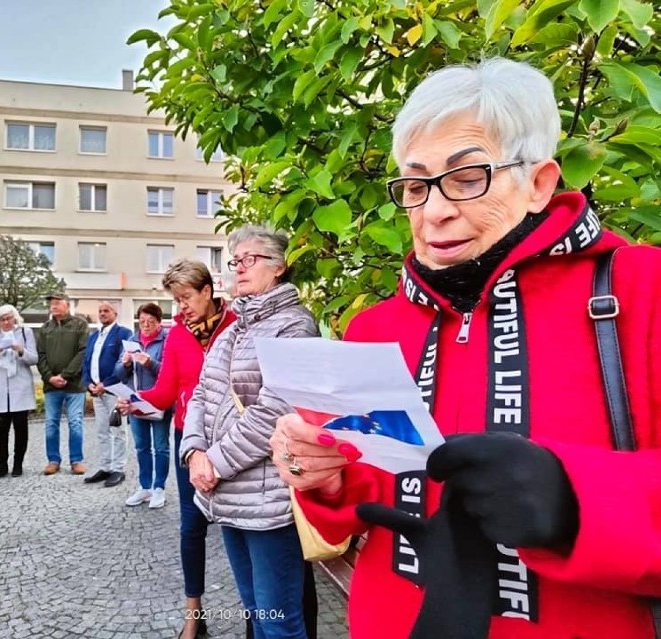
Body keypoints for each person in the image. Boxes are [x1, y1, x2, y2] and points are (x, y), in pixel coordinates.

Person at [271, 57, 661, 639]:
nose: (434, 211)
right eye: (416, 183)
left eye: (466, 177)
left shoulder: (642, 291)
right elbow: (369, 492)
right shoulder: (376, 325)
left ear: (538, 182)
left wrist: (575, 498)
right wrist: (323, 476)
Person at [180, 226, 320, 639]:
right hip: (226, 495)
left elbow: (276, 408)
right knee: (256, 613)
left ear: (278, 268)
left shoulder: (294, 325)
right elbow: (202, 394)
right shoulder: (233, 329)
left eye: (249, 259)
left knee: (280, 621)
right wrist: (193, 453)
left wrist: (215, 463)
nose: (238, 268)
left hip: (269, 501)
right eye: (234, 261)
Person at [118, 258, 236, 639]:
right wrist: (134, 400)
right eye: (175, 300)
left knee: (242, 526)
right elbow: (167, 390)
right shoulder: (179, 335)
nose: (180, 308)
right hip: (189, 438)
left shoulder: (238, 327)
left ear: (208, 291)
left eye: (186, 298)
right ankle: (194, 614)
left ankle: (257, 614)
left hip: (235, 442)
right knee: (191, 527)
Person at [114, 303, 172, 508]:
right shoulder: (131, 340)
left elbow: (169, 372)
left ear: (159, 322)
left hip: (158, 401)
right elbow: (119, 373)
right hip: (135, 401)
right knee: (141, 447)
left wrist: (150, 363)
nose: (146, 326)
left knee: (161, 447)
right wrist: (127, 364)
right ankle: (144, 486)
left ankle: (159, 488)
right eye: (142, 321)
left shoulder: (167, 340)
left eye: (151, 322)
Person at [37, 292, 90, 476]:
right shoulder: (45, 328)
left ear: (67, 305)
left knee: (75, 422)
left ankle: (76, 460)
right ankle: (53, 460)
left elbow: (83, 352)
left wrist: (66, 375)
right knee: (51, 423)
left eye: (58, 302)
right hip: (51, 386)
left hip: (74, 385)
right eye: (51, 303)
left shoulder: (79, 325)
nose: (53, 306)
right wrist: (49, 377)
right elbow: (41, 355)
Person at [0, 305, 38, 478]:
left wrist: (20, 350)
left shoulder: (25, 333)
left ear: (15, 318)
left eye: (8, 318)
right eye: (2, 319)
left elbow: (33, 358)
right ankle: (1, 464)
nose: (5, 322)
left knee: (21, 428)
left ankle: (18, 464)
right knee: (0, 429)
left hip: (19, 387)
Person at [81, 302, 133, 487]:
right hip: (97, 392)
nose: (102, 314)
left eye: (106, 311)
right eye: (100, 311)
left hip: (114, 391)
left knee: (118, 431)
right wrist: (88, 383)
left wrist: (106, 384)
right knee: (102, 431)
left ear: (115, 313)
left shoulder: (123, 334)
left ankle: (118, 469)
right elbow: (87, 362)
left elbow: (122, 363)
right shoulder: (94, 336)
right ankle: (105, 466)